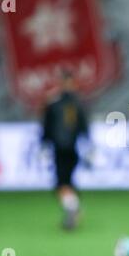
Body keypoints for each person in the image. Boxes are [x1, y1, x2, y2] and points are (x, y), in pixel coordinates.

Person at [41, 70, 90, 230]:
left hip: (62, 148)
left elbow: (47, 126)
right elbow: (83, 127)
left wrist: (44, 142)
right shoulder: (78, 103)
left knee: (61, 184)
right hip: (71, 148)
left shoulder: (54, 103)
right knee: (67, 182)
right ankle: (73, 207)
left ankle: (72, 208)